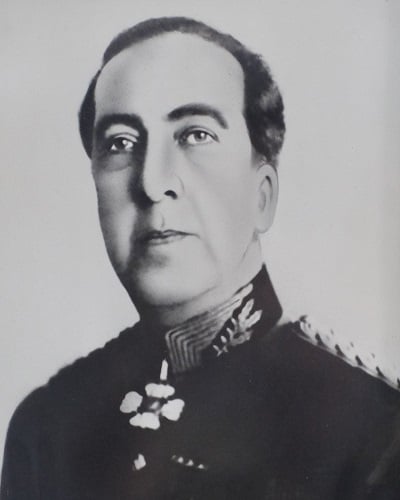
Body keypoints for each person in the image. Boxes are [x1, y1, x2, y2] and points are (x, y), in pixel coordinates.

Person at [1, 16, 400, 500]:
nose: (152, 183)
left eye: (195, 135)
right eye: (120, 143)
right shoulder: (48, 427)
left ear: (262, 196)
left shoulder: (375, 430)